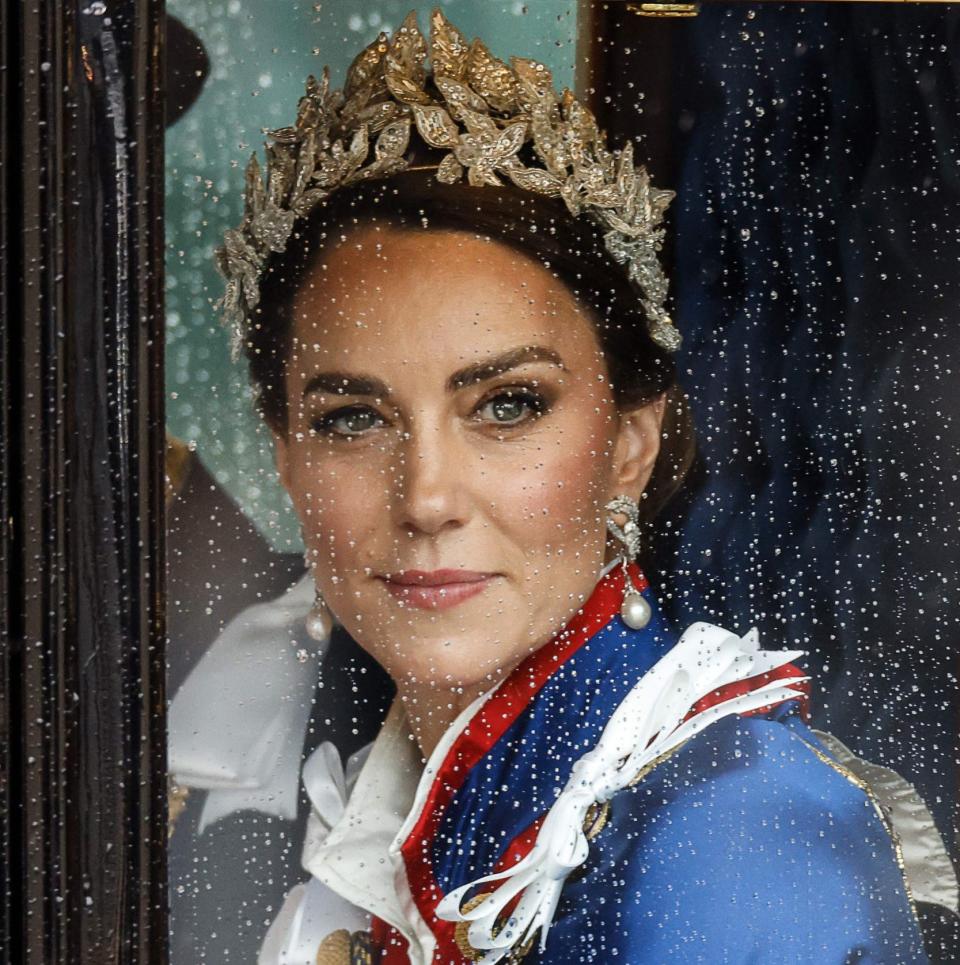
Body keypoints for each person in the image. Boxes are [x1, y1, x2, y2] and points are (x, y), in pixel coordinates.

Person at [206, 8, 954, 963]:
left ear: (629, 447)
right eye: (353, 418)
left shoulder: (738, 841)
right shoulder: (392, 811)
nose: (427, 498)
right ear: (285, 459)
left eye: (507, 405)